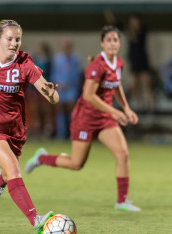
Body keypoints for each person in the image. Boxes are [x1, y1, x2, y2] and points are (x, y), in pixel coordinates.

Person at [25, 26, 141, 212]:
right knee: (76, 164)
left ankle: (122, 201)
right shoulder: (97, 65)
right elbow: (88, 95)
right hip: (85, 118)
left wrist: (126, 108)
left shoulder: (118, 63)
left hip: (104, 118)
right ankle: (42, 158)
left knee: (123, 154)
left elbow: (116, 85)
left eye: (116, 40)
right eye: (109, 40)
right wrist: (115, 112)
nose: (112, 43)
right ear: (102, 43)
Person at [0, 19, 59, 234]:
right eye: (10, 38)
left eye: (18, 39)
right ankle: (36, 220)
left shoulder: (24, 65)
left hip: (15, 131)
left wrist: (51, 92)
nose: (14, 43)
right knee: (14, 168)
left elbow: (53, 98)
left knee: (9, 173)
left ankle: (0, 180)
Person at [51, 37, 81, 139]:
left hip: (71, 88)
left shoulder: (75, 59)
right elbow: (54, 73)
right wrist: (58, 83)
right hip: (60, 88)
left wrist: (68, 83)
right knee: (60, 111)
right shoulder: (57, 59)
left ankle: (73, 133)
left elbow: (77, 74)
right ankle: (61, 133)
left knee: (71, 111)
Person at [26, 42, 55, 138]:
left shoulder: (49, 61)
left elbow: (49, 74)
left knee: (46, 109)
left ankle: (48, 129)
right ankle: (36, 129)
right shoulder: (35, 59)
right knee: (35, 110)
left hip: (45, 87)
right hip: (35, 88)